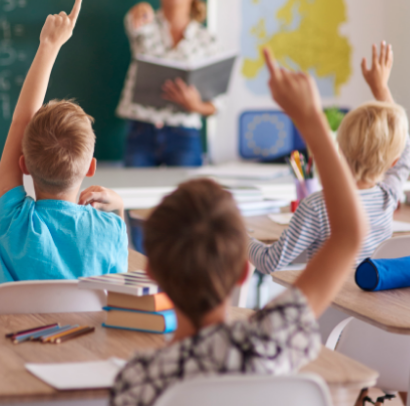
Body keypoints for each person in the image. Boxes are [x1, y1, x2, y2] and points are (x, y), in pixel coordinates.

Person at [109, 47, 369, 406]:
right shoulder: (270, 341)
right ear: (242, 273)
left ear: (151, 272)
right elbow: (350, 233)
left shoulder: (139, 380)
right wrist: (311, 121)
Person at [0, 0, 128, 288]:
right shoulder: (110, 230)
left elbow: (19, 122)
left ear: (23, 164)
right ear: (90, 167)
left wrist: (48, 47)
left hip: (9, 335)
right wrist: (119, 208)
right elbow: (117, 293)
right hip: (86, 335)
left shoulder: (13, 223)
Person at [249, 42, 410, 274]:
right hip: (369, 306)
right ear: (392, 161)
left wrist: (238, 236)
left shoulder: (317, 206)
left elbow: (269, 262)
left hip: (327, 306)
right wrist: (381, 88)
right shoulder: (388, 198)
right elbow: (405, 153)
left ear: (340, 150)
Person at [116, 0, 221, 167]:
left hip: (184, 134)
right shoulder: (144, 23)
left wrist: (196, 105)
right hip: (141, 130)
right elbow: (132, 21)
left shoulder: (207, 40)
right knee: (136, 197)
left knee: (187, 199)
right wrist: (141, 8)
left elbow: (216, 105)